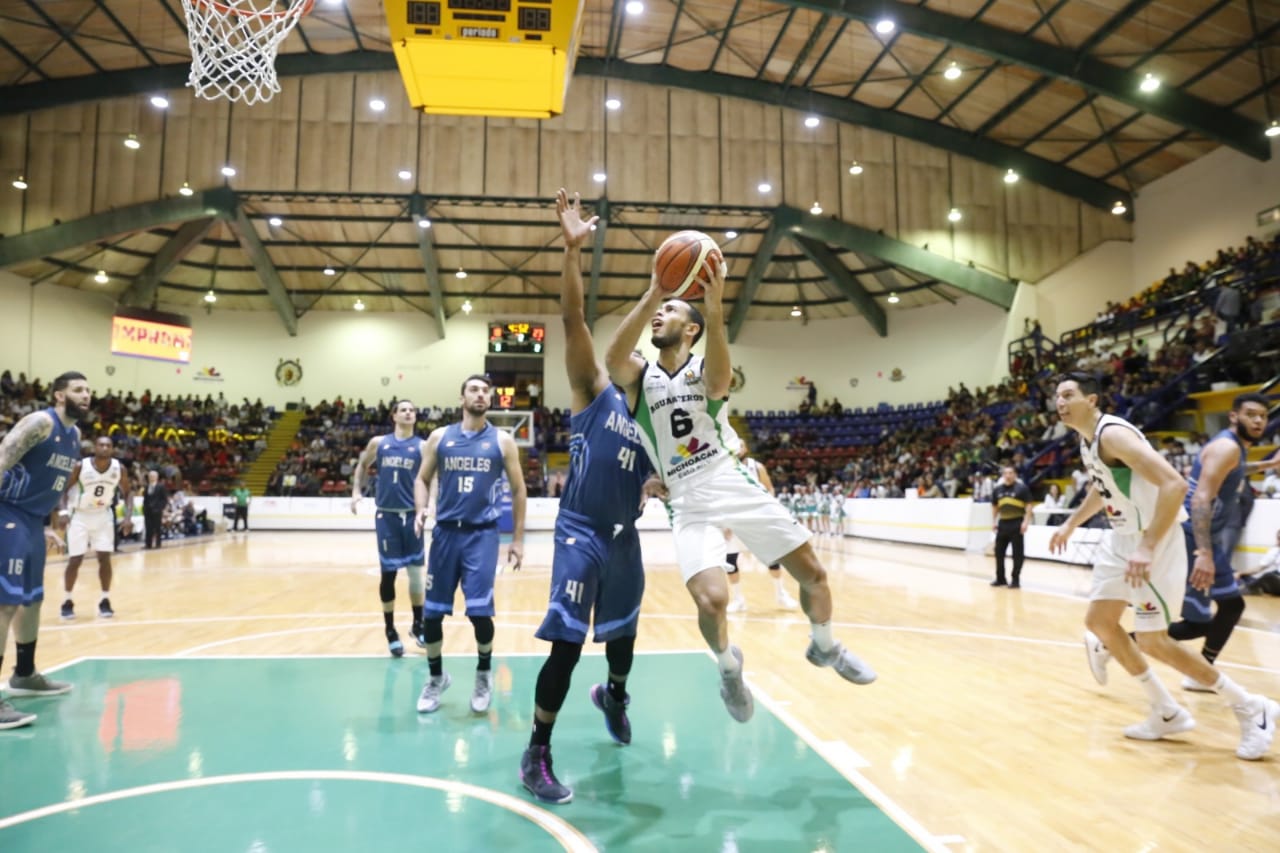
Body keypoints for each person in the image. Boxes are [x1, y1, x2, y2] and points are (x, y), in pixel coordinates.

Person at [604, 250, 874, 725]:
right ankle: (729, 668)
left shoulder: (704, 367)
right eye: (659, 311)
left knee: (813, 574)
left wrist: (714, 308)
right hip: (686, 499)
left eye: (671, 310)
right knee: (712, 601)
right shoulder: (640, 378)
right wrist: (655, 292)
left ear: (692, 329)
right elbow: (612, 360)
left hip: (730, 479)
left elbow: (718, 384)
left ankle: (825, 645)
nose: (660, 315)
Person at [1048, 372, 1276, 760]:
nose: (1060, 402)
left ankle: (1252, 708)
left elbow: (1175, 484)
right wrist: (1071, 523)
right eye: (1057, 396)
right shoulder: (1088, 439)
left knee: (1154, 639)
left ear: (1092, 400)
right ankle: (1166, 711)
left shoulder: (1113, 434)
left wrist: (1148, 546)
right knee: (1100, 623)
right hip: (1122, 538)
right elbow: (1103, 487)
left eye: (1069, 394)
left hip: (1153, 538)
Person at [519, 189, 656, 804]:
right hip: (580, 531)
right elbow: (573, 319)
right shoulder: (594, 392)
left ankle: (615, 695)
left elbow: (665, 479)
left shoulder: (655, 428)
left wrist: (658, 483)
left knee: (622, 639)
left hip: (625, 538)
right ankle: (537, 752)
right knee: (569, 646)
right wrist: (572, 252)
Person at [413, 374, 526, 715]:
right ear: (461, 397)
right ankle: (436, 678)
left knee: (479, 613)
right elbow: (422, 478)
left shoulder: (503, 441)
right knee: (432, 615)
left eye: (485, 391)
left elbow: (519, 489)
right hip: (445, 534)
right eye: (474, 390)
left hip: (482, 535)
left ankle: (483, 674)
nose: (481, 394)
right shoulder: (440, 437)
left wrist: (517, 539)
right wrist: (420, 509)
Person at [0, 371, 87, 730]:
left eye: (88, 390)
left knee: (32, 598)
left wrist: (48, 522)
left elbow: (52, 482)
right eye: (78, 390)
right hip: (7, 512)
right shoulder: (40, 423)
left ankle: (24, 674)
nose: (86, 395)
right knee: (5, 601)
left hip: (33, 520)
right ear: (59, 396)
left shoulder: (75, 435)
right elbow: (2, 458)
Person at [1169, 394, 1274, 688]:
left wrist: (1270, 463)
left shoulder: (1235, 449)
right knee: (1205, 620)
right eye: (1251, 414)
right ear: (1233, 416)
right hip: (1194, 537)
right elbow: (1201, 499)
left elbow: (1236, 471)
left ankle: (1199, 673)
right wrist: (1204, 553)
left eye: (1263, 416)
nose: (1258, 420)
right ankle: (1116, 642)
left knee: (1225, 610)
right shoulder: (1227, 447)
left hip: (1204, 539)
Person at [351, 400, 429, 658]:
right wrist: (356, 491)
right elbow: (362, 464)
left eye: (412, 410)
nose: (408, 412)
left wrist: (428, 506)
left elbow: (430, 478)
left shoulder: (422, 446)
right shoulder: (379, 443)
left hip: (412, 516)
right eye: (403, 409)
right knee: (389, 575)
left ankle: (418, 625)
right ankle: (390, 630)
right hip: (387, 516)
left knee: (416, 575)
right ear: (394, 416)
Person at [722, 440, 799, 613]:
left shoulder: (757, 467)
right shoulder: (724, 469)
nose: (737, 448)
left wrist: (767, 510)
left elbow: (770, 489)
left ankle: (781, 594)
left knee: (773, 559)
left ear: (746, 448)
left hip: (758, 520)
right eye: (734, 445)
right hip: (734, 521)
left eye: (741, 445)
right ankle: (738, 600)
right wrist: (725, 522)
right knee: (731, 562)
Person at [60, 435, 132, 620]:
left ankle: (105, 600)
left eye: (108, 445)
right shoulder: (80, 466)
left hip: (103, 515)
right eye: (101, 445)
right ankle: (67, 600)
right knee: (75, 559)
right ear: (95, 447)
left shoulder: (119, 468)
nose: (105, 448)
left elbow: (128, 493)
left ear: (112, 449)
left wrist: (127, 518)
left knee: (105, 558)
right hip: (80, 515)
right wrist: (63, 512)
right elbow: (63, 489)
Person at [990, 465, 1034, 588]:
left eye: (1010, 473)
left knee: (1017, 554)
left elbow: (1029, 505)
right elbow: (995, 506)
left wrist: (1026, 522)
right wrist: (994, 521)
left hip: (1017, 523)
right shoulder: (997, 490)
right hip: (1003, 523)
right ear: (1003, 475)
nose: (1008, 475)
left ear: (1015, 475)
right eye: (1006, 473)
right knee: (998, 552)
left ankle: (1015, 579)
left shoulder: (1022, 488)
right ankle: (1000, 578)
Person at [142, 471, 167, 549]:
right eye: (150, 476)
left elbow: (164, 499)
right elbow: (145, 499)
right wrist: (144, 508)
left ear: (157, 477)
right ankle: (148, 544)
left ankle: (158, 544)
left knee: (157, 528)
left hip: (157, 511)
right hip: (147, 511)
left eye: (153, 476)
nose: (151, 477)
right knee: (148, 527)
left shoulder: (161, 486)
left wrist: (160, 508)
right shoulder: (146, 486)